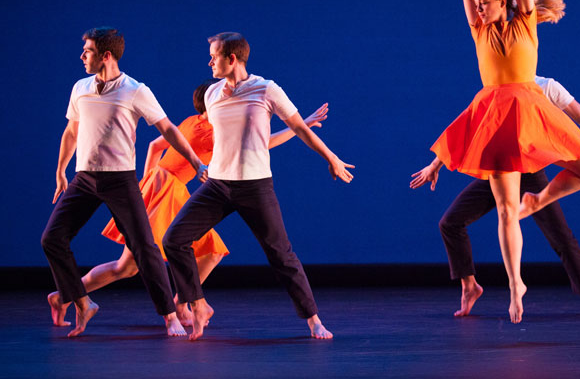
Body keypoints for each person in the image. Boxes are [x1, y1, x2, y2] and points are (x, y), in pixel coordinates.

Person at [430, 0, 580, 323]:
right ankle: (514, 285)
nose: (477, 8)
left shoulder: (525, 23)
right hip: (496, 116)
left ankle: (540, 198)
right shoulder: (479, 31)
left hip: (531, 109)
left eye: (484, 2)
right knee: (507, 210)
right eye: (474, 4)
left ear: (503, 1)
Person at [48, 78, 329, 327]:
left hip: (161, 187)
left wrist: (148, 182)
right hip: (166, 191)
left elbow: (155, 146)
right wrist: (300, 125)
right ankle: (69, 296)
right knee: (131, 266)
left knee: (201, 253)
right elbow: (261, 143)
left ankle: (182, 303)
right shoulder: (210, 130)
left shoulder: (192, 122)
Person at [163, 32, 354, 341]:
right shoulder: (212, 95)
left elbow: (298, 129)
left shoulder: (266, 89)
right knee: (173, 239)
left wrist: (331, 157)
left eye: (215, 56)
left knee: (281, 255)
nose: (210, 61)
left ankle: (314, 320)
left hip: (255, 187)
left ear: (232, 58)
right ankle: (197, 304)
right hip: (218, 185)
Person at [413, 76, 580, 317]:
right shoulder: (496, 87)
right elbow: (467, 123)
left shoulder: (547, 87)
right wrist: (435, 165)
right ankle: (470, 287)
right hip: (500, 174)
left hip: (531, 176)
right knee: (449, 223)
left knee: (560, 236)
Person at [43, 27, 208, 337]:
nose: (82, 56)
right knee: (51, 239)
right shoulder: (80, 88)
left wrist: (196, 160)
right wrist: (61, 169)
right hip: (85, 178)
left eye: (88, 51)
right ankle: (82, 302)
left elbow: (169, 129)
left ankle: (170, 315)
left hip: (120, 180)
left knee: (145, 248)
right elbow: (71, 132)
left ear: (106, 55)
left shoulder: (134, 90)